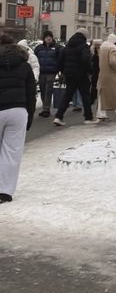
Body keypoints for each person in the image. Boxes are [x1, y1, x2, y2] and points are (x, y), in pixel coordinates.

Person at [0, 33, 36, 202]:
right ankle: (5, 191)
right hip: (18, 110)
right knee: (11, 152)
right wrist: (28, 118)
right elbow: (31, 94)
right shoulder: (25, 66)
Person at [53, 28, 97, 125]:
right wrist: (90, 71)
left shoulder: (67, 46)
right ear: (84, 36)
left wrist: (63, 71)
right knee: (85, 95)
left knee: (67, 95)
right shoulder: (84, 46)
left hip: (69, 74)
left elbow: (60, 61)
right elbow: (86, 60)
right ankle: (88, 117)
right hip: (81, 75)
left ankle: (58, 116)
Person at [35, 31, 63, 117]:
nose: (48, 38)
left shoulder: (57, 47)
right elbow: (35, 59)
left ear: (52, 37)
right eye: (46, 36)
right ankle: (45, 107)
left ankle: (46, 109)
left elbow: (60, 59)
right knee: (43, 90)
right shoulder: (39, 48)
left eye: (50, 36)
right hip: (41, 72)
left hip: (51, 72)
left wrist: (59, 70)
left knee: (48, 90)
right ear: (44, 38)